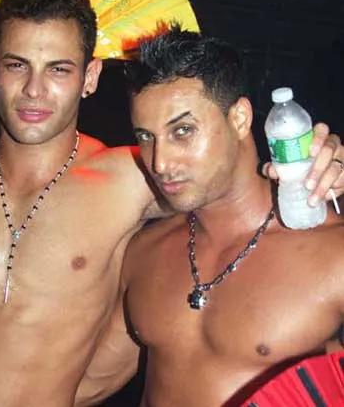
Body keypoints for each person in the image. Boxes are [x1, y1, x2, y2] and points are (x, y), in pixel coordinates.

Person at [0, 0, 342, 407]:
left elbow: (224, 173)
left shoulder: (132, 178)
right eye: (17, 66)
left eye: (59, 68)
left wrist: (318, 162)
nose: (35, 89)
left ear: (90, 76)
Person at [79, 24, 344, 406]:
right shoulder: (145, 252)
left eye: (182, 131)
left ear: (239, 118)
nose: (160, 162)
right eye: (146, 137)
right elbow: (90, 383)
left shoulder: (332, 252)